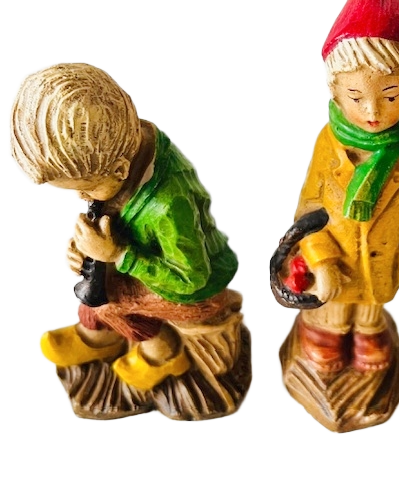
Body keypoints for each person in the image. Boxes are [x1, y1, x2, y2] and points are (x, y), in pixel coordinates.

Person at [11, 63, 247, 418]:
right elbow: (120, 219)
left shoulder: (169, 205)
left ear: (120, 170)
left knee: (111, 299)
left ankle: (162, 354)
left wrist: (119, 254)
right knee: (98, 289)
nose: (82, 198)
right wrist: (84, 253)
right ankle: (97, 338)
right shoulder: (127, 150)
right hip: (153, 262)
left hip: (195, 285)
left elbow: (191, 278)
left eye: (87, 189)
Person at [292, 0, 399, 374]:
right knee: (331, 318)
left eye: (390, 95)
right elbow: (309, 208)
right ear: (335, 91)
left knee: (368, 317)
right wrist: (321, 259)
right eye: (355, 96)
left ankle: (367, 328)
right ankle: (326, 330)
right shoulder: (328, 142)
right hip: (333, 258)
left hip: (379, 267)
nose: (372, 111)